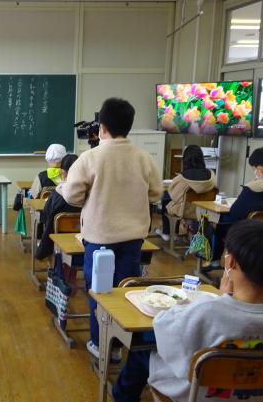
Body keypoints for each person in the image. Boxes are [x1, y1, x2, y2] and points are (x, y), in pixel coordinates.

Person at [112, 219, 263, 402]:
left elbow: (163, 327)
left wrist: (221, 299)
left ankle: (123, 398)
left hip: (198, 394)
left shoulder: (208, 311)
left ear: (231, 261)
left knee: (143, 347)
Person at [57, 97, 162, 358]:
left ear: (102, 127)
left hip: (99, 237)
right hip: (133, 237)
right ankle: (122, 343)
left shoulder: (90, 158)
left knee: (100, 291)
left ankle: (101, 344)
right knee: (126, 288)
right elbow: (156, 193)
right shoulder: (144, 158)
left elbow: (71, 196)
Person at [209, 145, 263, 268]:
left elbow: (235, 212)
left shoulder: (253, 189)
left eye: (254, 169)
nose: (254, 172)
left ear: (261, 169)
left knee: (215, 221)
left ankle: (214, 261)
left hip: (251, 235)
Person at [155, 145, 216, 241]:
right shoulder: (211, 174)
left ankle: (167, 233)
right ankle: (177, 233)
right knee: (178, 200)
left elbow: (174, 196)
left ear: (185, 160)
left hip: (186, 211)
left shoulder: (183, 177)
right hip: (204, 211)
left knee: (167, 200)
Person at [34, 153, 81, 261]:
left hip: (57, 236)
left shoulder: (57, 193)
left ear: (62, 172)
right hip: (83, 235)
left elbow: (45, 215)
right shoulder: (87, 194)